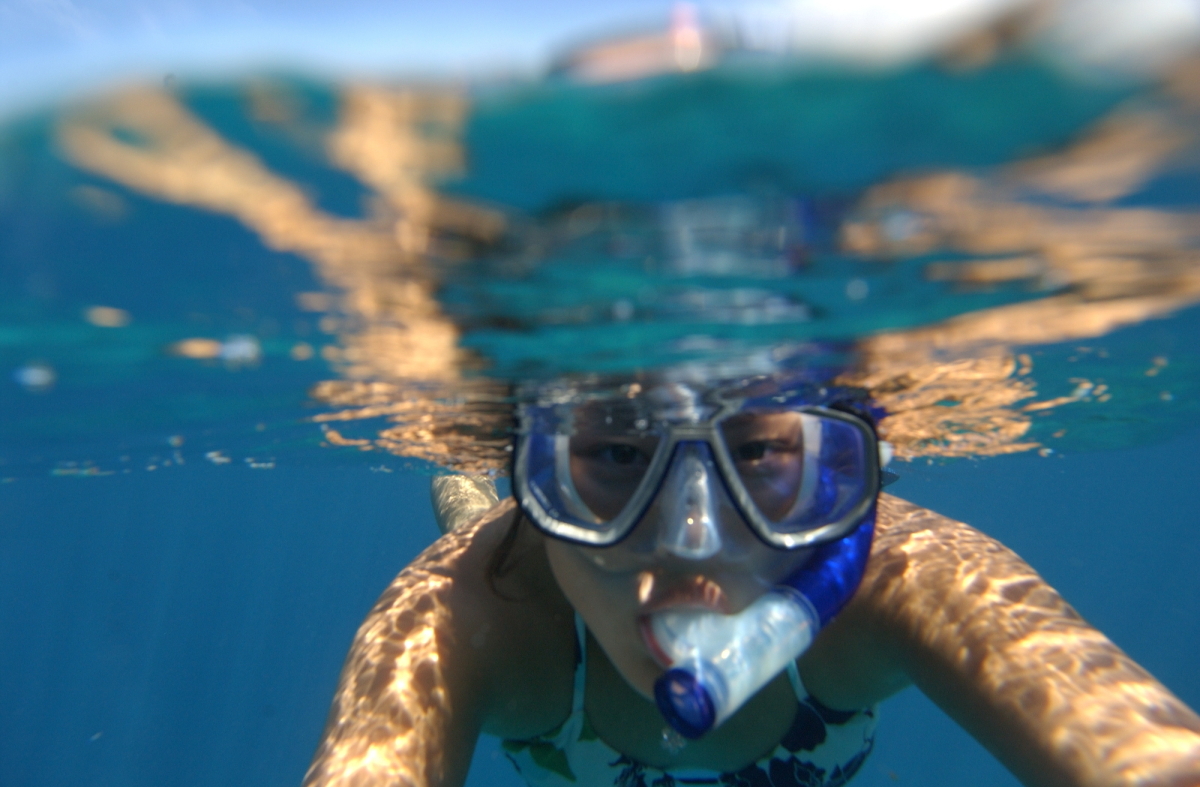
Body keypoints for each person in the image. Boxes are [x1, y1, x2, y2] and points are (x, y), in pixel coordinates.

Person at [302, 370, 1200, 787]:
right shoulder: (458, 617)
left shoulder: (907, 574)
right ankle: (472, 509)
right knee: (489, 560)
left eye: (762, 457)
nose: (693, 550)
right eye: (617, 452)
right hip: (529, 580)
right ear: (532, 471)